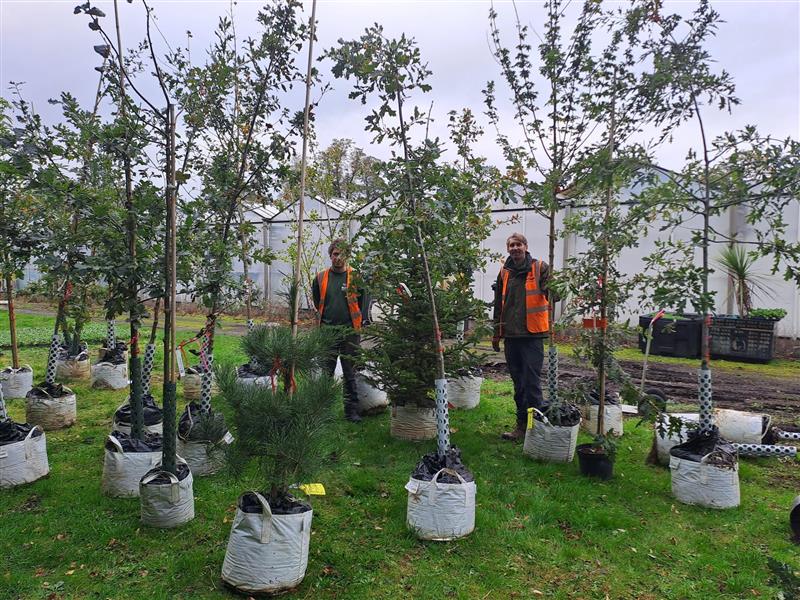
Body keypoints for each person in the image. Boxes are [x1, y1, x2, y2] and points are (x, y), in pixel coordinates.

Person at [492, 233, 553, 441]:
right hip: (511, 336)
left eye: (518, 244)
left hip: (532, 335)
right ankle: (521, 426)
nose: (515, 248)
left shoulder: (540, 267)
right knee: (518, 384)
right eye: (511, 245)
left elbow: (555, 295)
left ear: (526, 247)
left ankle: (536, 430)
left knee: (532, 383)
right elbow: (498, 305)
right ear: (508, 249)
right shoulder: (504, 272)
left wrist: (554, 286)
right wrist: (496, 334)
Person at [312, 239, 367, 423]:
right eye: (335, 254)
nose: (339, 258)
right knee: (326, 373)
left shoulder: (356, 277)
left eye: (342, 254)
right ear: (330, 255)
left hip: (350, 332)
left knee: (350, 373)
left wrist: (358, 324)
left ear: (347, 256)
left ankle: (351, 411)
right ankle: (323, 411)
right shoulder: (320, 278)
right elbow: (317, 300)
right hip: (327, 332)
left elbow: (362, 301)